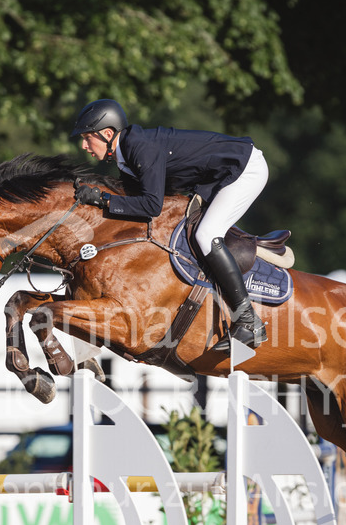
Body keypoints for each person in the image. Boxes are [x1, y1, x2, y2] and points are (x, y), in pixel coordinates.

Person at [70, 98, 268, 349]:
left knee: (206, 234)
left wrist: (103, 199)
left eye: (88, 138)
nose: (84, 145)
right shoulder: (126, 155)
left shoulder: (139, 148)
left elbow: (151, 206)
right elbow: (135, 200)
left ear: (108, 134)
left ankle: (248, 320)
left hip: (244, 170)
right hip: (219, 177)